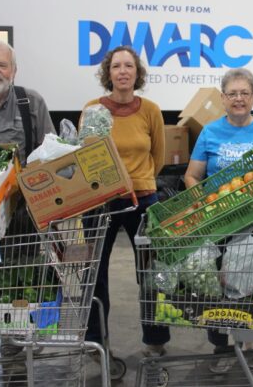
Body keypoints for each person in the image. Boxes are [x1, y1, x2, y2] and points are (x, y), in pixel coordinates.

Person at [184, 67, 253, 373]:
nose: (239, 99)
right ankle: (220, 346)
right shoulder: (210, 132)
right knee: (218, 286)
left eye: (245, 93)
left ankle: (250, 341)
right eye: (232, 93)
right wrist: (202, 200)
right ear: (223, 99)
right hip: (219, 222)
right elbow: (191, 175)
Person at [81, 45, 170, 356]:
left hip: (142, 199)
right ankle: (96, 340)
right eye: (116, 66)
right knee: (94, 275)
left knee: (150, 274)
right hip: (100, 202)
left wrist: (139, 181)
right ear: (108, 73)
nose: (122, 71)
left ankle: (155, 340)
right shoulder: (93, 109)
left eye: (128, 66)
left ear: (137, 73)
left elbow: (157, 156)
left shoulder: (151, 110)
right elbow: (86, 157)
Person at [0, 38, 55, 358]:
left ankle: (13, 334)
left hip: (20, 217)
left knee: (17, 277)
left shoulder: (30, 102)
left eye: (2, 65)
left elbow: (51, 156)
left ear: (13, 71)